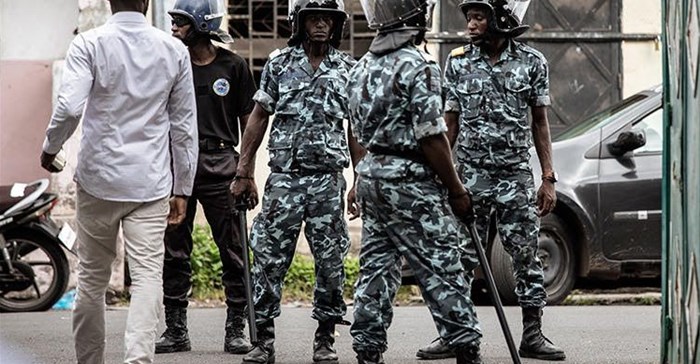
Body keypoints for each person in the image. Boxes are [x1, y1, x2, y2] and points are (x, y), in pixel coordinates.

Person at [40, 0, 198, 362]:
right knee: (147, 278)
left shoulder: (89, 44)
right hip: (151, 182)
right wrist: (183, 188)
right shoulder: (173, 49)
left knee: (92, 281)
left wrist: (51, 147)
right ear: (147, 3)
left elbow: (68, 108)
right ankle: (138, 360)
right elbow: (184, 128)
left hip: (99, 181)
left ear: (110, 1)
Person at [416, 0, 566, 361]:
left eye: (479, 17)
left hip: (514, 176)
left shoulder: (532, 63)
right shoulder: (458, 62)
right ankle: (454, 334)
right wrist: (442, 177)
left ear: (500, 20)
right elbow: (448, 125)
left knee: (526, 257)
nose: (470, 24)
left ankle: (532, 335)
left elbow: (540, 123)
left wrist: (547, 177)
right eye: (469, 18)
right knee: (459, 258)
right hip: (471, 178)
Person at [345, 1, 484, 363]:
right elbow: (432, 137)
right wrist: (456, 189)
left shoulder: (360, 67)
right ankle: (465, 344)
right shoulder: (418, 65)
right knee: (441, 266)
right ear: (415, 17)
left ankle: (367, 350)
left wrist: (362, 174)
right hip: (411, 181)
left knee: (376, 265)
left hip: (372, 176)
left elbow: (356, 133)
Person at [229, 0, 362, 363]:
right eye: (313, 19)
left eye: (328, 20)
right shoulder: (279, 64)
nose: (321, 25)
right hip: (285, 180)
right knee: (269, 260)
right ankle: (264, 340)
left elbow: (356, 130)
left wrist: (359, 179)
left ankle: (325, 338)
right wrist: (243, 171)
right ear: (300, 24)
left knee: (331, 261)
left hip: (327, 182)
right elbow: (258, 118)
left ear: (336, 26)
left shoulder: (347, 69)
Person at [155, 0, 257, 355]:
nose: (173, 28)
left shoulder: (234, 65)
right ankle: (176, 329)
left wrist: (247, 172)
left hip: (221, 165)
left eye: (180, 22)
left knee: (233, 250)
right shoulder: (170, 64)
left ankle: (236, 328)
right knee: (174, 249)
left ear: (200, 25)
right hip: (177, 167)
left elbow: (250, 120)